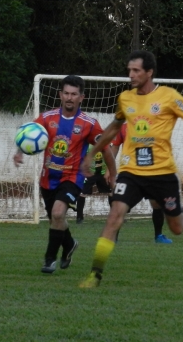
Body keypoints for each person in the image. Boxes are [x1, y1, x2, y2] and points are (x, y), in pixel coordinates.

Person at [79, 50, 183, 288]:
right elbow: (114, 129)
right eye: (129, 70)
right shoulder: (126, 98)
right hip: (132, 172)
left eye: (136, 70)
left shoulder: (168, 96)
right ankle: (95, 274)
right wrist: (92, 153)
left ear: (149, 72)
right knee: (114, 216)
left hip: (163, 173)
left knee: (176, 228)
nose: (131, 75)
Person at [13, 75, 116, 274]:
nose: (69, 97)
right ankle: (69, 245)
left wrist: (113, 172)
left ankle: (49, 260)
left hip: (73, 178)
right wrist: (19, 152)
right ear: (60, 95)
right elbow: (27, 134)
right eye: (66, 93)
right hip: (48, 178)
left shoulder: (89, 123)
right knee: (55, 220)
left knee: (58, 213)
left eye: (74, 94)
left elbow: (105, 147)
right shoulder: (46, 118)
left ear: (81, 97)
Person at [110, 122, 173, 244]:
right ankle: (113, 237)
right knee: (121, 204)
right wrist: (109, 168)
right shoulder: (123, 126)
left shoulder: (154, 124)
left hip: (151, 171)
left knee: (156, 203)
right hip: (130, 172)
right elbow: (115, 146)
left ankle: (158, 236)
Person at [76, 145, 111, 224]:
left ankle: (115, 216)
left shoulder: (106, 144)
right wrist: (86, 170)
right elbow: (83, 158)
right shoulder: (87, 145)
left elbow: (111, 158)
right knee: (82, 193)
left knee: (111, 192)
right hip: (90, 173)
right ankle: (79, 218)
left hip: (102, 173)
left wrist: (108, 171)